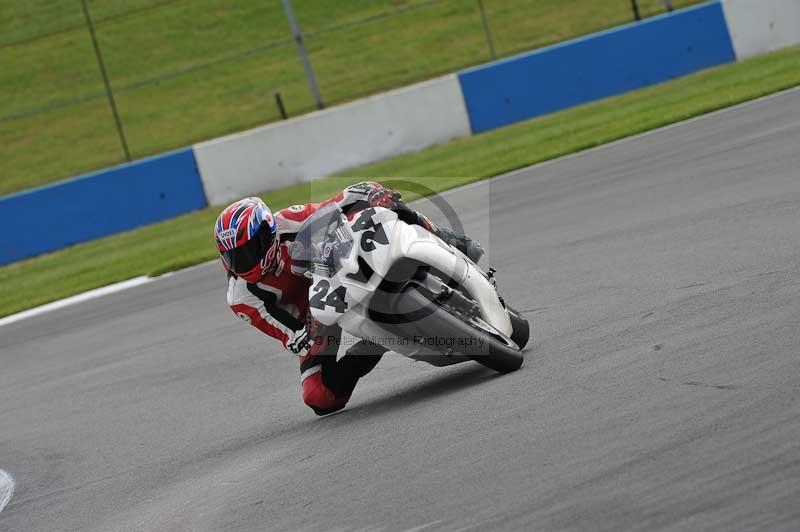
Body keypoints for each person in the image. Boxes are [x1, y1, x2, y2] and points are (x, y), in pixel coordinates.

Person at [214, 181, 483, 416]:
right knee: (319, 396)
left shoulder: (289, 222)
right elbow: (286, 331)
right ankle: (375, 341)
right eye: (234, 256)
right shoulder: (241, 297)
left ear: (267, 233)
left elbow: (334, 209)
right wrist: (300, 337)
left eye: (249, 250)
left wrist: (371, 194)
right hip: (313, 318)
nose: (242, 262)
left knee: (389, 209)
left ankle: (445, 238)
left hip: (336, 269)